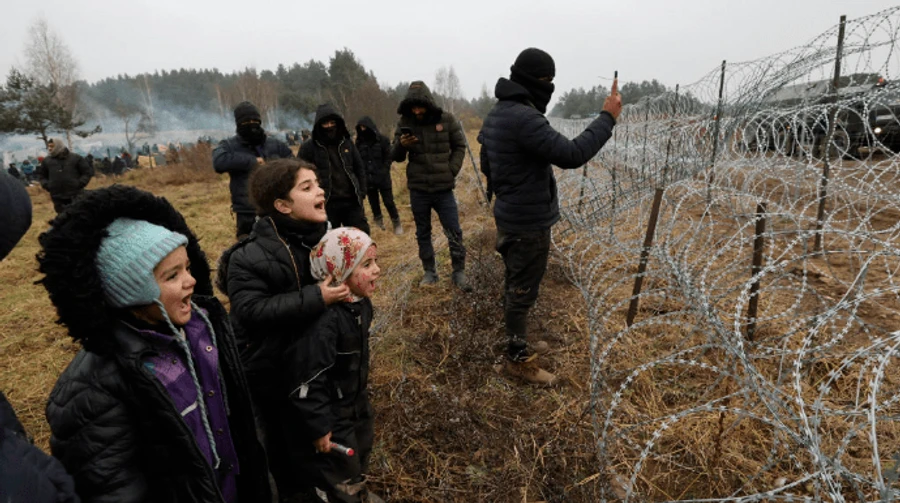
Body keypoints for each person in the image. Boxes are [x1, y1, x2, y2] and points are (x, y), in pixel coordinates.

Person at [38, 185, 272, 502]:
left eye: (188, 267)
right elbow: (112, 488)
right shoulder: (93, 389)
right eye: (172, 275)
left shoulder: (203, 330)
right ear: (132, 291)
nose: (191, 281)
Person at [479, 48, 622, 385]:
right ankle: (518, 361)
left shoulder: (499, 112)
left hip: (513, 214)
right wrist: (607, 118)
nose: (551, 87)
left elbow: (488, 163)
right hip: (526, 223)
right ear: (535, 81)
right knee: (520, 290)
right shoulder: (524, 118)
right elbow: (572, 154)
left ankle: (519, 341)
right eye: (548, 81)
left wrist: (510, 187)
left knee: (518, 284)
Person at [218, 158, 350, 501]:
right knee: (285, 453)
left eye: (318, 183)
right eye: (306, 187)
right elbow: (250, 310)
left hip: (312, 367)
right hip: (268, 374)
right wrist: (317, 296)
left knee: (322, 438)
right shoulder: (248, 257)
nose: (320, 190)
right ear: (282, 205)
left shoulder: (327, 242)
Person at [285, 227, 383, 503]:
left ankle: (358, 490)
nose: (376, 270)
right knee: (339, 470)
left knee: (361, 451)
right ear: (339, 271)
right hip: (333, 414)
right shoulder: (325, 324)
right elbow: (308, 380)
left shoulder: (361, 306)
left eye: (375, 261)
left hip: (357, 401)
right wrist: (319, 426)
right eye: (366, 264)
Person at [391, 81, 470, 291]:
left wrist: (451, 169)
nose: (417, 111)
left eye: (420, 106)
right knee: (423, 232)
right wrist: (402, 145)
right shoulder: (405, 122)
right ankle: (429, 272)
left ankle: (459, 271)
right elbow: (396, 156)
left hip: (444, 189)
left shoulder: (446, 119)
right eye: (413, 107)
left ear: (428, 103)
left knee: (454, 230)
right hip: (419, 189)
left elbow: (460, 145)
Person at [213, 101, 294, 239]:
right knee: (248, 250)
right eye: (246, 121)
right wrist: (251, 162)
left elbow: (294, 163)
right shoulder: (229, 145)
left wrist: (274, 163)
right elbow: (219, 162)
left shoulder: (275, 144)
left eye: (255, 120)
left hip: (276, 207)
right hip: (246, 212)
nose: (252, 124)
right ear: (239, 124)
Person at [299, 104, 369, 234]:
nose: (330, 126)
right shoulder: (309, 147)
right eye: (326, 123)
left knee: (361, 236)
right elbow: (300, 175)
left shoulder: (346, 142)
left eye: (333, 122)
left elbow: (359, 168)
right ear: (319, 125)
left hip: (351, 200)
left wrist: (362, 191)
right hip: (325, 202)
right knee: (329, 242)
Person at [356, 116, 402, 235]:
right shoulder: (359, 143)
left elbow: (388, 157)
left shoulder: (383, 140)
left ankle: (396, 222)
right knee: (373, 203)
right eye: (360, 128)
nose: (363, 129)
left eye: (365, 127)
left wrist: (384, 171)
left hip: (383, 178)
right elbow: (358, 161)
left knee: (389, 202)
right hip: (369, 179)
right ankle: (379, 224)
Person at [36, 138, 93, 214]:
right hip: (57, 196)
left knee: (79, 215)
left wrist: (80, 183)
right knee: (63, 218)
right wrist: (47, 185)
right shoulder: (46, 161)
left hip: (75, 194)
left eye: (52, 146)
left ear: (58, 146)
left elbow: (87, 172)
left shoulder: (76, 158)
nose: (49, 148)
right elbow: (42, 175)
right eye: (48, 146)